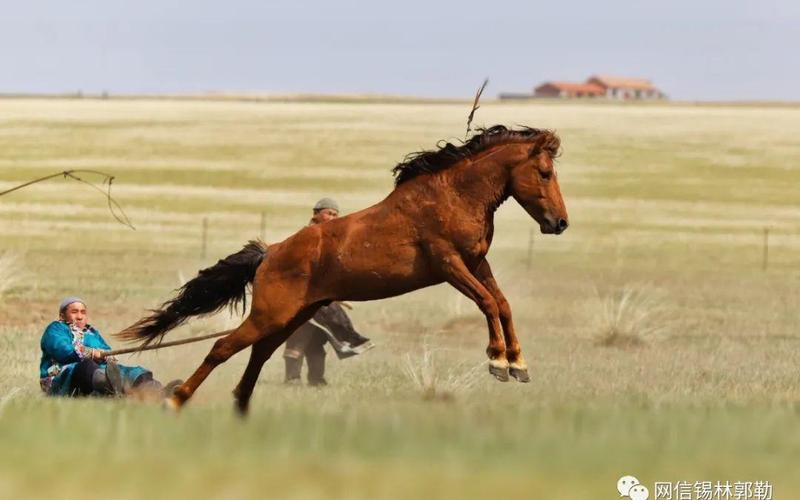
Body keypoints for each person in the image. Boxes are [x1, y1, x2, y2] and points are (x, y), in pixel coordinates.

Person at [283, 198, 374, 386]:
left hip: (323, 301)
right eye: (328, 213)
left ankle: (316, 380)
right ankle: (292, 379)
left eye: (335, 214)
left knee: (317, 343)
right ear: (316, 214)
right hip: (303, 299)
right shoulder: (306, 235)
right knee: (298, 339)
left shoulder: (334, 239)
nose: (332, 217)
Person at [39, 297, 169, 397]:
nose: (79, 316)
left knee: (127, 371)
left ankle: (162, 392)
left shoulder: (92, 333)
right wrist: (91, 353)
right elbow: (63, 351)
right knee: (86, 366)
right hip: (63, 377)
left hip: (97, 372)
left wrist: (107, 356)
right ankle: (115, 390)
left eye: (83, 312)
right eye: (74, 312)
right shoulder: (55, 329)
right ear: (62, 315)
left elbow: (106, 351)